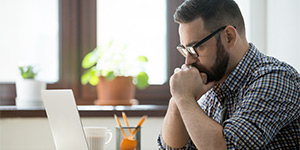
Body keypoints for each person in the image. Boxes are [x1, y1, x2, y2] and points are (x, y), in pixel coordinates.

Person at [157, 0, 300, 149]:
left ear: (229, 37)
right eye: (185, 50)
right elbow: (172, 148)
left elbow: (228, 146)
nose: (188, 60)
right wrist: (177, 99)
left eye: (196, 48)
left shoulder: (275, 79)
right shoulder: (214, 87)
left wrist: (185, 98)